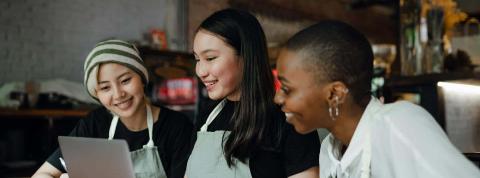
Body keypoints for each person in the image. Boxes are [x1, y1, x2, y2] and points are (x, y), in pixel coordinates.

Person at [274, 20, 480, 178]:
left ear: (335, 94)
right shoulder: (330, 150)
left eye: (286, 89)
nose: (277, 98)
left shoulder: (397, 123)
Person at [185, 8, 320, 178]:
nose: (200, 71)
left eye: (210, 58)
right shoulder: (206, 118)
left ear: (246, 56)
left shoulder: (289, 121)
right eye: (197, 59)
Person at [32, 39, 195, 178]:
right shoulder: (94, 124)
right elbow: (42, 174)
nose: (118, 94)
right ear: (96, 94)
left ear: (142, 78)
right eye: (105, 88)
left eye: (125, 80)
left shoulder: (177, 127)